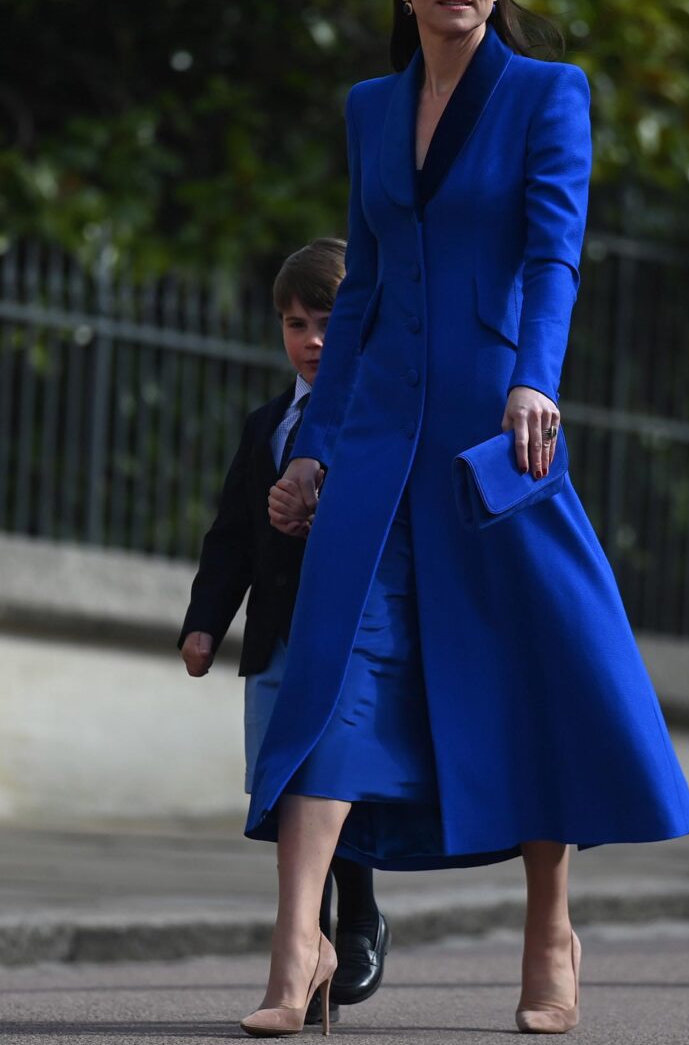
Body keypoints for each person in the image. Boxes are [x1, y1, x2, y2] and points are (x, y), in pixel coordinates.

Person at [240, 0, 689, 1038]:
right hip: (380, 440)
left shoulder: (552, 95)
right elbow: (365, 289)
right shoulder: (371, 110)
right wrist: (316, 442)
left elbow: (555, 253)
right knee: (335, 675)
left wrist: (534, 385)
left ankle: (551, 924)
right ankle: (298, 945)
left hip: (501, 442)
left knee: (532, 673)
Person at [178, 238, 390, 1029]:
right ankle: (316, 937)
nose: (312, 341)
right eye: (296, 322)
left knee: (337, 774)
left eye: (330, 322)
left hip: (352, 638)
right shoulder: (267, 423)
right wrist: (205, 621)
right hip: (275, 640)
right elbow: (230, 533)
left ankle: (356, 914)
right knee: (282, 790)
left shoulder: (376, 424)